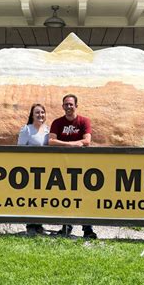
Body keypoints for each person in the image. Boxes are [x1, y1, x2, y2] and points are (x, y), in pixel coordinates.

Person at [48, 94, 97, 239]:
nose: (68, 107)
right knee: (65, 197)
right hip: (63, 165)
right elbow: (51, 141)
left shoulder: (84, 121)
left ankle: (87, 229)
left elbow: (87, 141)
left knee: (83, 196)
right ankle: (66, 227)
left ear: (76, 105)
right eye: (66, 104)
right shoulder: (57, 122)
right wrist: (72, 144)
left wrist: (68, 143)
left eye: (71, 104)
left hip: (81, 165)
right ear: (63, 106)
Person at [18, 103, 50, 236]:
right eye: (37, 112)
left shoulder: (48, 130)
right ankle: (30, 224)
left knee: (41, 197)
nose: (40, 115)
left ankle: (39, 224)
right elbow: (19, 149)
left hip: (45, 169)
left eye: (42, 112)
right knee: (30, 197)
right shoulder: (27, 129)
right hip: (29, 169)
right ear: (32, 115)